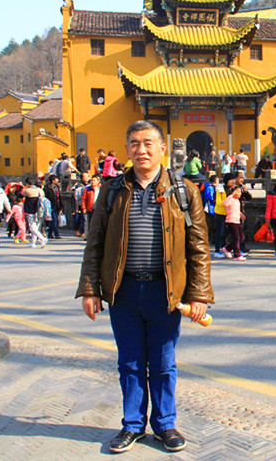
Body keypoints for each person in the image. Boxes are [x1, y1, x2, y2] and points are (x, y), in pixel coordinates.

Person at [76, 120, 213, 454]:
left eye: (149, 143)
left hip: (165, 292)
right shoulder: (112, 191)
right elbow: (94, 243)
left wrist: (198, 295)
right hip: (123, 291)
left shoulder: (185, 191)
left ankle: (165, 424)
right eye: (135, 143)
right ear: (127, 149)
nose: (142, 150)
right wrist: (91, 289)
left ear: (162, 148)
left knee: (164, 362)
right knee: (130, 362)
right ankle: (132, 425)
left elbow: (199, 248)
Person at [221, 186, 246, 261]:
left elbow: (236, 210)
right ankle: (237, 255)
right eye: (237, 192)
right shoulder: (230, 198)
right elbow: (224, 204)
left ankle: (227, 248)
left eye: (240, 192)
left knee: (241, 237)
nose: (239, 193)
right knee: (236, 238)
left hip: (237, 220)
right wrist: (231, 195)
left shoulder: (237, 200)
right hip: (231, 221)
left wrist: (241, 215)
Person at [22, 177, 47, 248]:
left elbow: (20, 195)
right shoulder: (40, 190)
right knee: (36, 227)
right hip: (40, 211)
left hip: (31, 211)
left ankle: (42, 239)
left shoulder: (28, 190)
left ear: (27, 184)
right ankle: (33, 243)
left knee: (32, 227)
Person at [81, 174, 101, 239]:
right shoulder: (87, 189)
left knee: (98, 222)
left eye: (94, 180)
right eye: (92, 180)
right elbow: (84, 199)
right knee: (90, 222)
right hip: (90, 207)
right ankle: (90, 236)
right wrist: (84, 208)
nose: (92, 182)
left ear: (98, 181)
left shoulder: (100, 189)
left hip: (99, 208)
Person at [202, 174, 218, 246]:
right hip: (209, 208)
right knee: (210, 225)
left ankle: (213, 239)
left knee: (214, 225)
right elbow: (210, 197)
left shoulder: (211, 187)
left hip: (213, 209)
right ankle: (208, 239)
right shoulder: (210, 188)